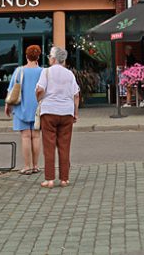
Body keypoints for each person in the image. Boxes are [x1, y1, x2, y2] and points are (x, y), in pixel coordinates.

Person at [36, 46, 80, 188]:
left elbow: (40, 89)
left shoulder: (46, 72)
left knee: (49, 146)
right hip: (67, 112)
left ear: (54, 58)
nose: (49, 58)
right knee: (64, 146)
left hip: (49, 111)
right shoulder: (70, 74)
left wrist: (39, 98)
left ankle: (49, 179)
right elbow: (76, 95)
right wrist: (75, 112)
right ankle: (64, 179)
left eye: (49, 56)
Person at [3, 44, 43, 175]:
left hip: (22, 108)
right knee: (36, 137)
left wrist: (8, 106)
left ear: (26, 56)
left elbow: (12, 90)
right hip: (38, 108)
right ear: (38, 57)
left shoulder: (19, 71)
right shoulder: (43, 72)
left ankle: (27, 166)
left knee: (26, 137)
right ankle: (36, 165)